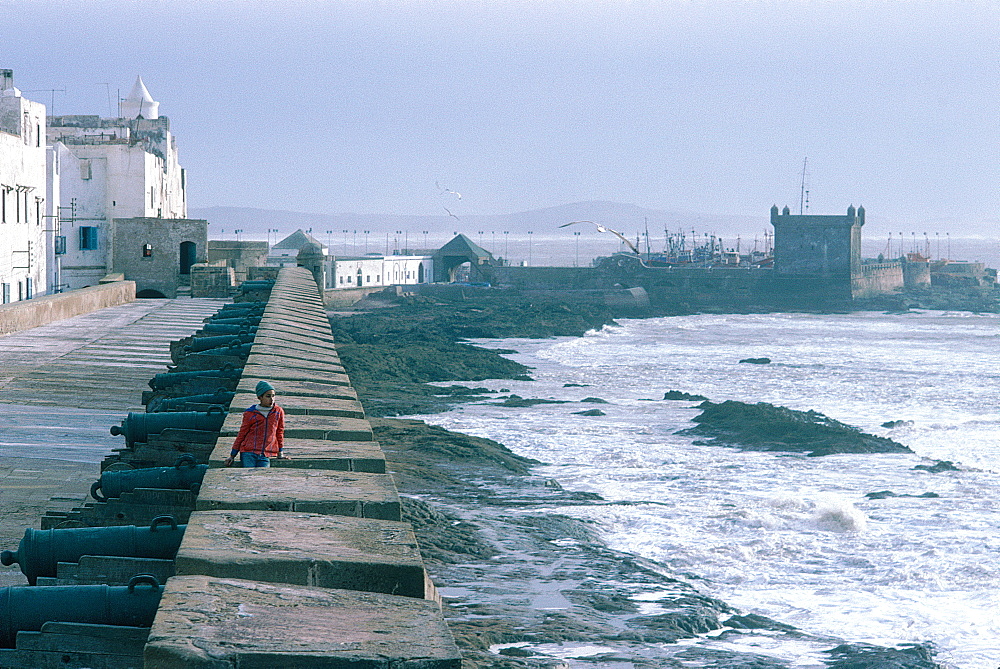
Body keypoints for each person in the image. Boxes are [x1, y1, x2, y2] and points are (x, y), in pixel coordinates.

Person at [224, 380, 289, 467]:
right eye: (268, 396)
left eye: (273, 396)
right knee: (248, 475)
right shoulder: (250, 413)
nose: (272, 399)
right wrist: (232, 455)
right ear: (260, 397)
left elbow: (279, 432)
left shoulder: (278, 412)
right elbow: (242, 434)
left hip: (265, 454)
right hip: (248, 452)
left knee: (262, 476)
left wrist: (280, 452)